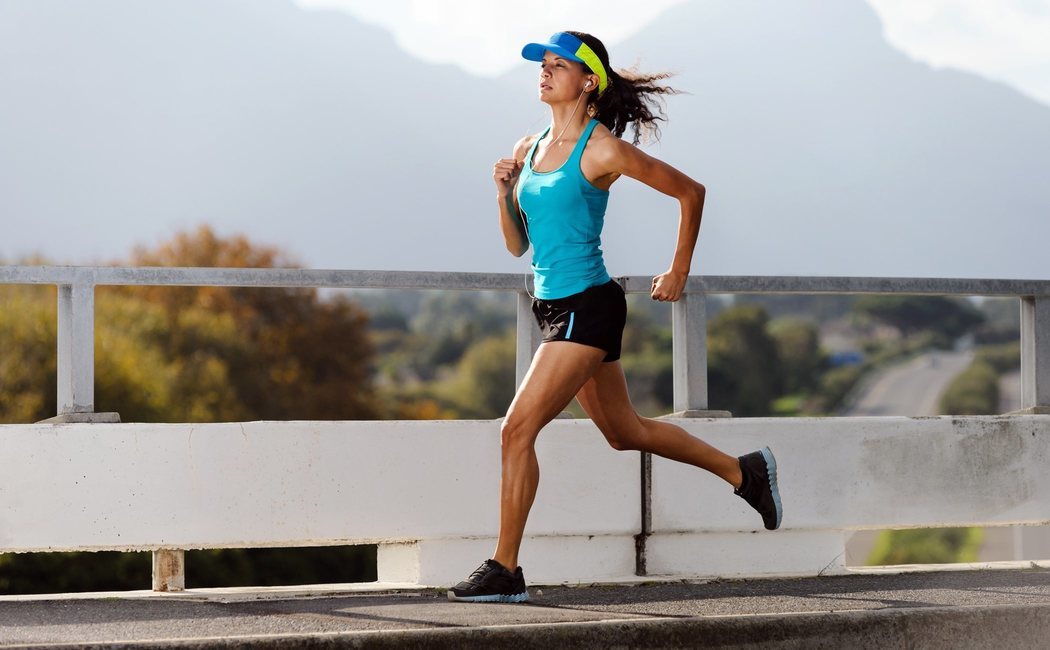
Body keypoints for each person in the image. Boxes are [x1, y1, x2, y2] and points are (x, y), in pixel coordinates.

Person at [448, 31, 782, 604]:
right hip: (551, 306)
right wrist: (503, 193)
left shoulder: (601, 150)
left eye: (559, 66)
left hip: (589, 307)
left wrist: (678, 270)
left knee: (516, 429)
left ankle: (506, 569)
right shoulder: (528, 147)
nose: (545, 73)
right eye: (543, 65)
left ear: (588, 81)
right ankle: (744, 472)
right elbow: (517, 248)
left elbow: (690, 192)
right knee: (625, 433)